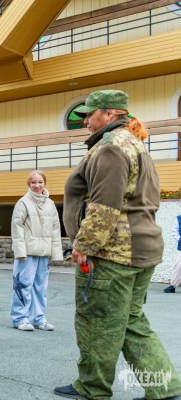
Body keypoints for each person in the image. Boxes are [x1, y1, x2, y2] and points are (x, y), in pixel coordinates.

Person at [55, 90, 181, 400]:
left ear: (109, 114)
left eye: (90, 113)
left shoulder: (111, 148)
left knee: (98, 322)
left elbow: (104, 206)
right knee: (130, 322)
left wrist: (84, 245)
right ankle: (165, 389)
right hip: (140, 249)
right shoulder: (134, 143)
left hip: (113, 254)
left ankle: (92, 387)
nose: (85, 120)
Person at [10, 170, 62, 332]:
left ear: (44, 183)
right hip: (27, 253)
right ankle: (20, 318)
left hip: (43, 253)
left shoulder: (50, 204)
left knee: (40, 287)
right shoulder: (23, 202)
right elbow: (17, 227)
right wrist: (20, 251)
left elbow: (55, 229)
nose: (37, 185)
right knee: (23, 285)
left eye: (40, 182)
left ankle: (39, 318)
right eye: (33, 182)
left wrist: (56, 253)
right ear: (29, 184)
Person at [163, 214, 181, 293]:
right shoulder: (179, 218)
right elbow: (175, 231)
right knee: (179, 266)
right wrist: (179, 240)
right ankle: (173, 285)